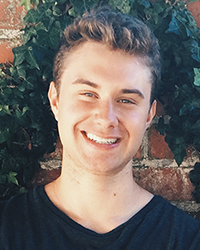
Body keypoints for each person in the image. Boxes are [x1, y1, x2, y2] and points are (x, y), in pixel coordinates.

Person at [0, 6, 200, 250]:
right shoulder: (6, 230)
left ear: (149, 115)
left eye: (126, 100)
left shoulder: (187, 240)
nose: (106, 119)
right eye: (88, 93)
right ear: (55, 100)